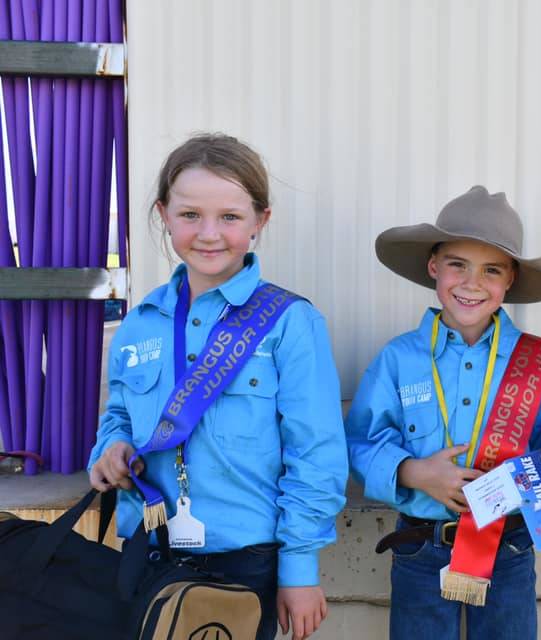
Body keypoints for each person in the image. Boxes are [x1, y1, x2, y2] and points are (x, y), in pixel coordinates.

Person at [88, 133, 347, 640]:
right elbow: (119, 414)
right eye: (190, 215)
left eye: (229, 216)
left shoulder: (290, 323)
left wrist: (299, 568)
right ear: (164, 214)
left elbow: (315, 451)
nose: (209, 234)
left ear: (260, 221)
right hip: (149, 551)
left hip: (246, 559)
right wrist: (110, 449)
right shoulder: (140, 323)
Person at [346, 185, 541, 639]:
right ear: (434, 267)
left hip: (508, 545)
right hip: (421, 548)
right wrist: (414, 472)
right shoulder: (398, 358)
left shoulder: (532, 359)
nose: (472, 284)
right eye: (458, 265)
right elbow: (359, 442)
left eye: (491, 270)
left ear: (510, 279)